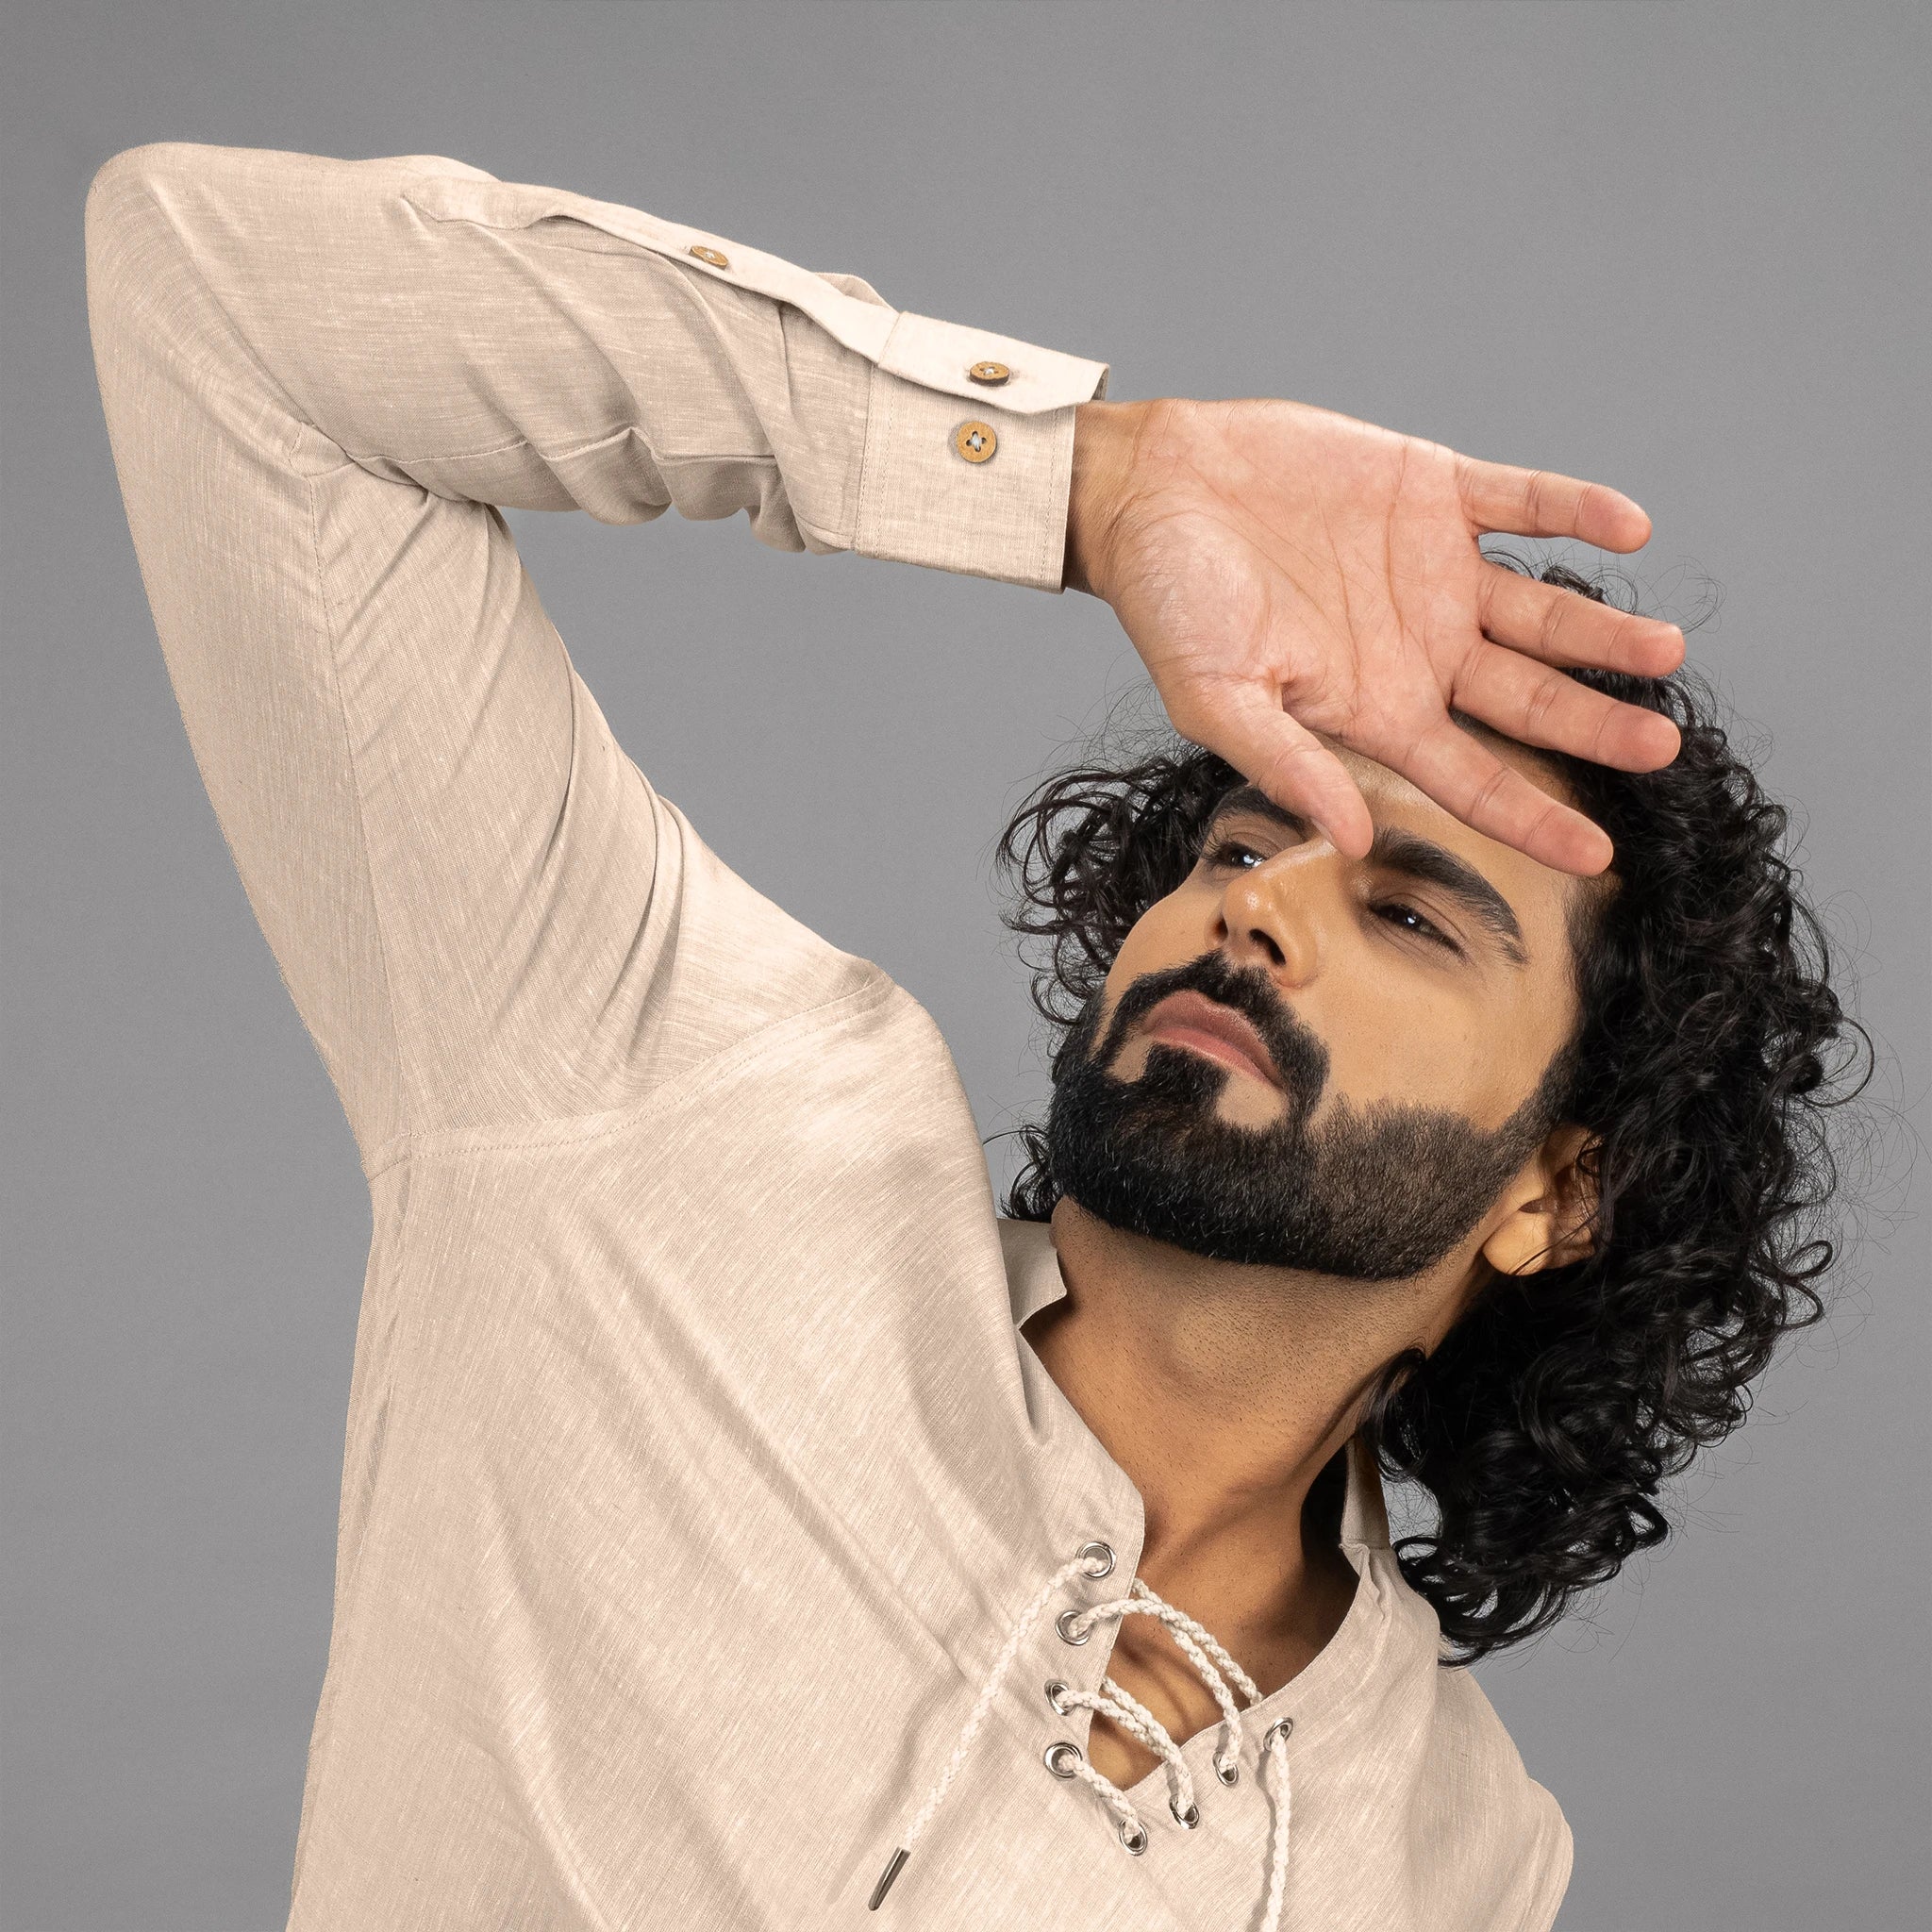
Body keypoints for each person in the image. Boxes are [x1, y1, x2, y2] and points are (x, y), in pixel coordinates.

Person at [83, 141, 1856, 1932]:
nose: (1255, 903)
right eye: (1243, 840)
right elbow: (218, 293)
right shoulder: (675, 1114)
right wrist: (1083, 481)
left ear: (1561, 1187)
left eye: (1405, 914)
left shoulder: (1459, 1863)